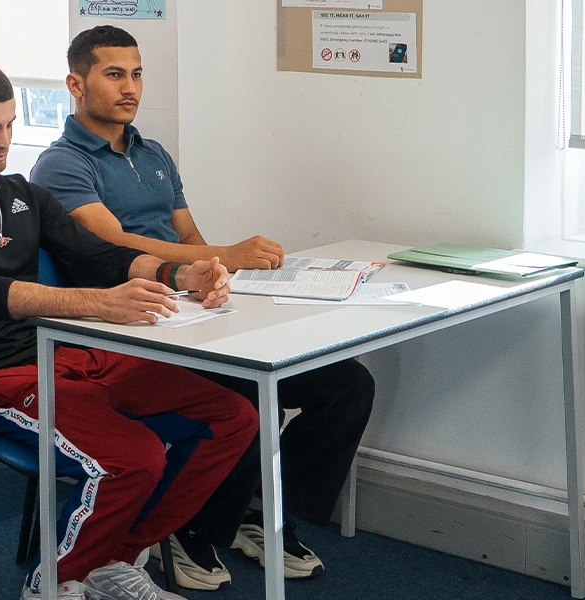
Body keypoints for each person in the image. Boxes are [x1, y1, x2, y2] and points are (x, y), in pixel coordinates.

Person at [0, 59, 253, 600]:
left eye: (9, 125)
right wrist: (100, 306)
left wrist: (181, 273)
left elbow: (99, 255)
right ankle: (52, 582)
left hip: (64, 358)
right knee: (134, 457)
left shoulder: (24, 195)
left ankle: (115, 559)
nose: (3, 141)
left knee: (232, 417)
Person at [31, 25, 375, 590]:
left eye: (137, 73)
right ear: (75, 83)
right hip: (126, 329)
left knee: (345, 385)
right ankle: (193, 527)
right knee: (241, 394)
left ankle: (260, 515)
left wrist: (213, 274)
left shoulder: (154, 153)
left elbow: (188, 234)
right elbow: (115, 246)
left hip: (189, 310)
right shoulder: (62, 165)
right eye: (114, 74)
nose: (130, 88)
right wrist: (227, 255)